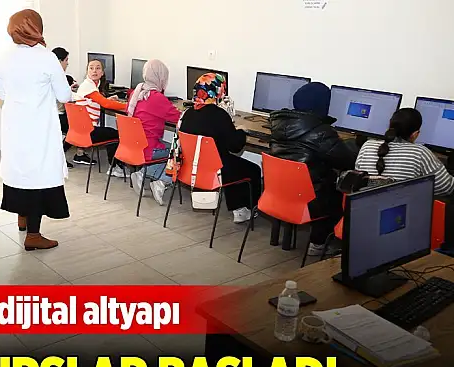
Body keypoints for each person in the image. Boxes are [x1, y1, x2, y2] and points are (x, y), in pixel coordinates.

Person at [0, 9, 72, 250]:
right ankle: (34, 235)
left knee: (20, 172)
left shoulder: (5, 57)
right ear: (37, 28)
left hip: (14, 127)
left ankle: (22, 218)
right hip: (39, 129)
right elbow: (64, 95)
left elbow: (1, 94)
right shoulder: (46, 57)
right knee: (38, 178)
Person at [270, 82, 358, 255]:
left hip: (280, 190)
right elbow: (346, 161)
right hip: (309, 199)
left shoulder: (278, 123)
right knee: (340, 192)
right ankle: (319, 243)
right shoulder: (320, 132)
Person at [355, 108, 454, 254]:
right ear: (415, 134)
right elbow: (447, 188)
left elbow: (358, 175)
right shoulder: (420, 153)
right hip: (399, 221)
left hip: (363, 220)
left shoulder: (367, 146)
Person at [178, 73, 262, 220]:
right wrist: (241, 132)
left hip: (193, 166)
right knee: (252, 169)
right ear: (217, 91)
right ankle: (244, 209)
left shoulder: (188, 113)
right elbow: (235, 146)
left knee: (230, 161)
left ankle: (238, 208)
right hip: (216, 169)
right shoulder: (219, 115)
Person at [127, 59, 181, 205]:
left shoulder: (136, 93)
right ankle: (162, 181)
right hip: (148, 148)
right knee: (179, 153)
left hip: (133, 145)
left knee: (169, 148)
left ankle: (141, 174)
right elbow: (179, 118)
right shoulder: (157, 98)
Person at [73, 59, 127, 177]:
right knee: (116, 135)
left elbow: (99, 101)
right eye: (91, 68)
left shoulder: (89, 86)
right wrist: (129, 106)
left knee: (110, 132)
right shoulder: (88, 86)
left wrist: (106, 100)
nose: (94, 71)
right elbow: (105, 104)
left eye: (98, 68)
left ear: (102, 73)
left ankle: (115, 166)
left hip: (81, 131)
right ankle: (114, 168)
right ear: (87, 71)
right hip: (88, 132)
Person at [52, 46, 91, 168]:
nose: (67, 63)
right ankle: (60, 157)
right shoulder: (57, 76)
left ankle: (78, 154)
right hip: (56, 116)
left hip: (53, 114)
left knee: (77, 123)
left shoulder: (52, 74)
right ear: (59, 61)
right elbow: (63, 97)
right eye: (66, 60)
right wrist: (83, 97)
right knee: (79, 127)